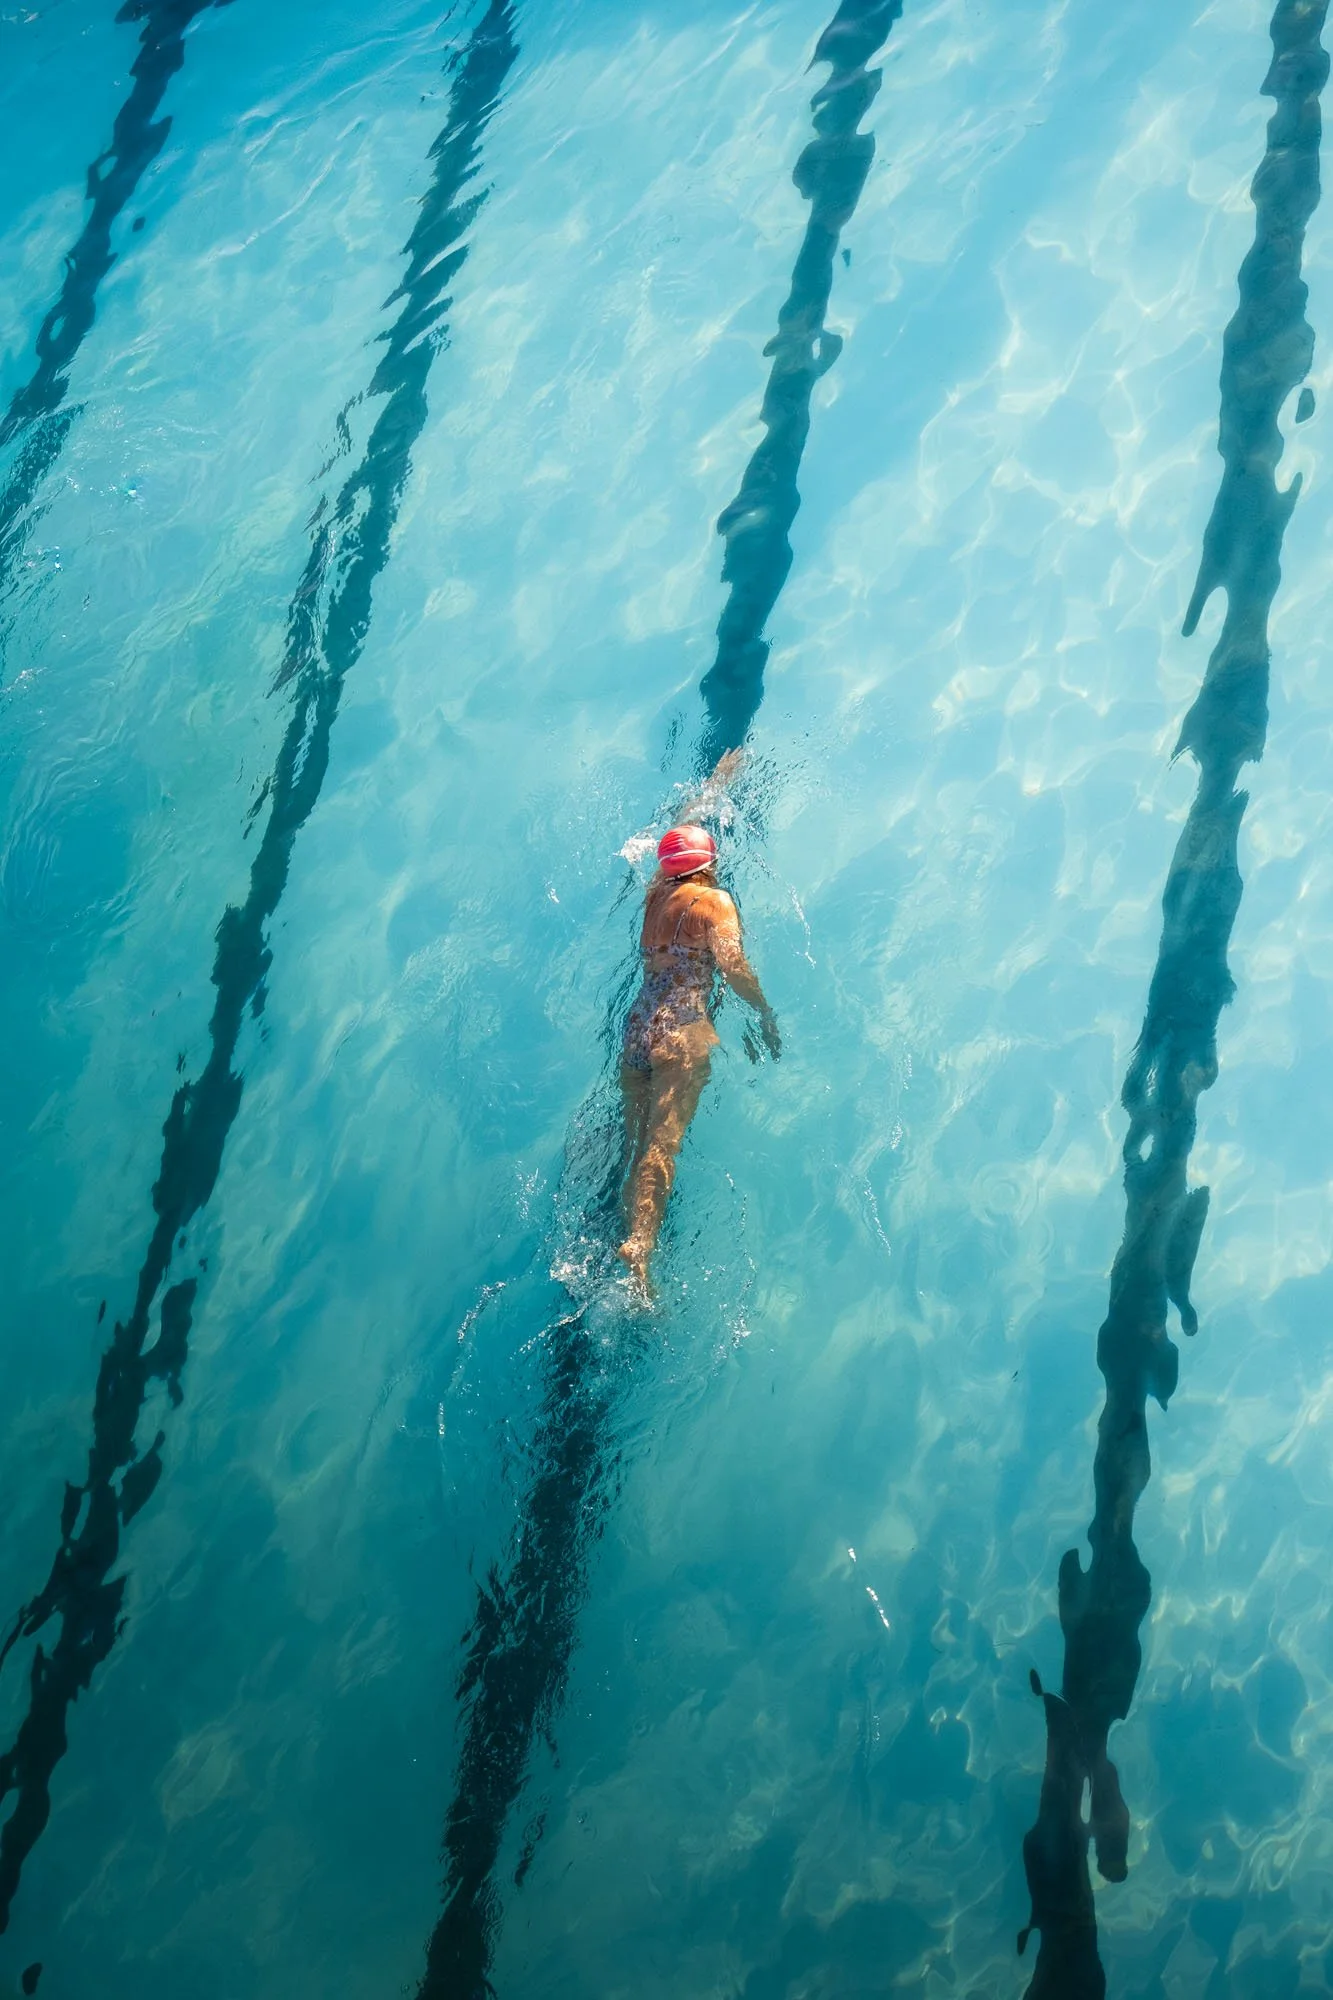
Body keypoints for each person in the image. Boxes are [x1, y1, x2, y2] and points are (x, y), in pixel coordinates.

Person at [618, 755, 779, 1293]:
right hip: (680, 1030)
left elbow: (672, 842)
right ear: (710, 863)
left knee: (633, 1143)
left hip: (638, 1026)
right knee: (662, 1146)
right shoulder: (715, 902)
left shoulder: (653, 894)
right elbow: (732, 967)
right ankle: (640, 1249)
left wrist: (713, 786)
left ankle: (629, 1225)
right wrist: (763, 1010)